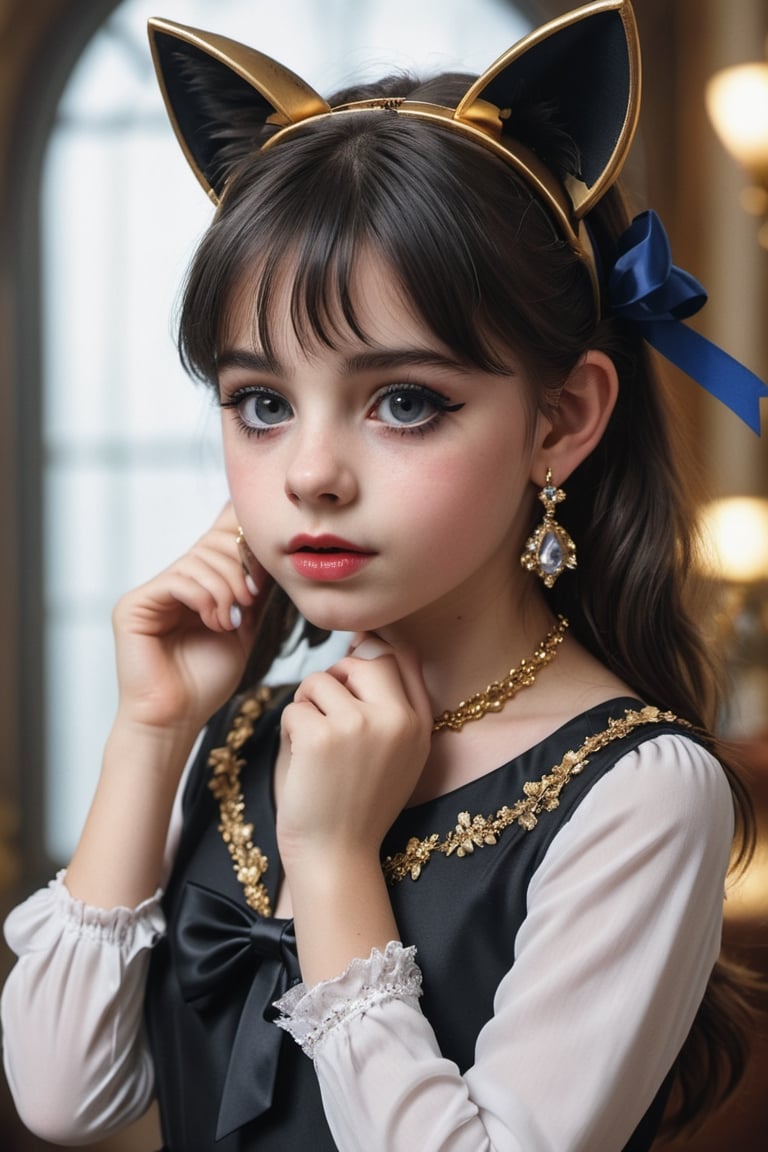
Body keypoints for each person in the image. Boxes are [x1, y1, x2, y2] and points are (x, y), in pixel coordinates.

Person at [2, 2, 766, 1149]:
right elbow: (62, 1099)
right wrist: (152, 729)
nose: (310, 473)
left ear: (562, 420)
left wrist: (332, 857)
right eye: (262, 403)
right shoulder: (249, 728)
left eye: (404, 402)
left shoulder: (644, 789)